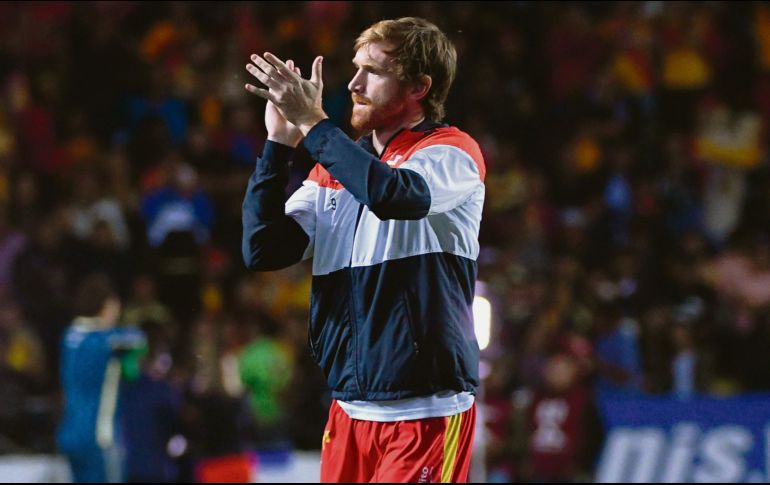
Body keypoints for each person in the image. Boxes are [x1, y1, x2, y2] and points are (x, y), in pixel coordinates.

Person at [242, 17, 485, 483]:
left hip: (425, 413)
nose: (353, 83)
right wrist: (278, 144)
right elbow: (262, 249)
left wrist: (314, 124)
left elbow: (394, 195)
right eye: (354, 68)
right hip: (348, 412)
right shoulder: (335, 170)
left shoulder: (451, 152)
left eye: (372, 71)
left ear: (419, 87)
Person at [57, 274, 146, 483]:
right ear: (106, 306)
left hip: (69, 434)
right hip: (99, 437)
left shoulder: (69, 337)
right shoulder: (109, 342)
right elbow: (139, 340)